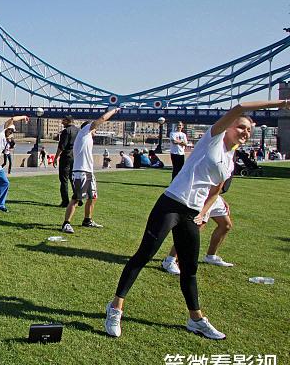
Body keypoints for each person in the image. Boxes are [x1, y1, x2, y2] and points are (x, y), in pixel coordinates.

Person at [104, 99, 289, 340]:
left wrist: (204, 212)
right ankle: (115, 308)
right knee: (144, 255)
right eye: (241, 127)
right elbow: (240, 107)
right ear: (230, 125)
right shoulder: (212, 139)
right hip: (171, 203)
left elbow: (215, 190)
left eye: (249, 130)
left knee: (189, 269)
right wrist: (283, 102)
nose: (245, 132)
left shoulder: (230, 159)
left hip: (191, 213)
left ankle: (196, 319)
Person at [61, 108, 118, 234]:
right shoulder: (84, 132)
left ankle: (87, 220)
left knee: (93, 197)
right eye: (95, 129)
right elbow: (102, 119)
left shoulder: (87, 138)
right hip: (80, 172)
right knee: (76, 199)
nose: (96, 131)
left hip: (89, 172)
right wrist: (113, 111)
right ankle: (66, 224)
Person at [54, 116, 80, 207]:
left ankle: (65, 201)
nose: (62, 122)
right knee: (73, 178)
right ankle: (78, 198)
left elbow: (61, 146)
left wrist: (55, 158)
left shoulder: (66, 131)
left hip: (66, 157)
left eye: (63, 121)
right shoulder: (78, 131)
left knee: (63, 180)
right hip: (75, 157)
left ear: (68, 121)